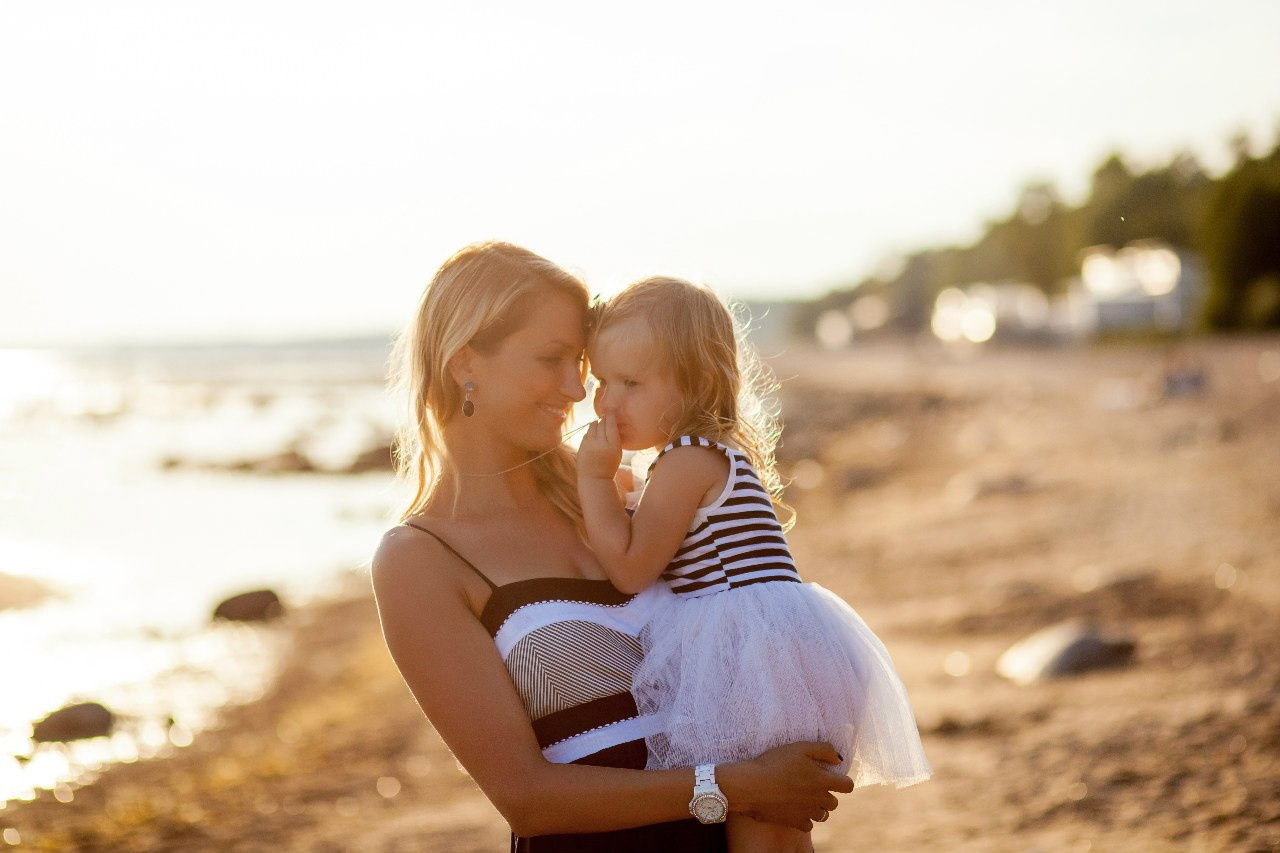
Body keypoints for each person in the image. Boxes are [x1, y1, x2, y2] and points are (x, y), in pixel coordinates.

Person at [370, 242, 853, 853]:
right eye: (553, 360)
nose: (577, 390)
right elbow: (527, 797)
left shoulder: (618, 497)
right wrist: (739, 786)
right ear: (465, 362)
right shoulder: (421, 559)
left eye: (582, 362)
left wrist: (768, 791)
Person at [577, 277, 933, 853]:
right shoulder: (712, 454)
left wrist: (592, 479)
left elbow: (630, 569)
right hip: (780, 652)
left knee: (757, 830)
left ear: (697, 382)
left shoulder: (685, 460)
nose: (606, 402)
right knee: (779, 833)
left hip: (750, 662)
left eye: (631, 383)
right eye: (601, 382)